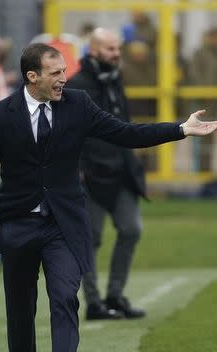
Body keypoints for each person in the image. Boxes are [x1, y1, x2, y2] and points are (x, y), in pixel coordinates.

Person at [0, 43, 217, 352]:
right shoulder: (0, 116)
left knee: (65, 298)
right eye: (55, 73)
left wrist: (180, 130)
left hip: (64, 226)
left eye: (65, 71)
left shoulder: (78, 104)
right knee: (20, 314)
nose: (64, 79)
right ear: (32, 76)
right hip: (16, 227)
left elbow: (126, 133)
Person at [67, 29, 150, 320]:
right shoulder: (76, 85)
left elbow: (124, 126)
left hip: (122, 172)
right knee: (90, 239)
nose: (117, 54)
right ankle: (93, 303)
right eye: (111, 49)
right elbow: (71, 134)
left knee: (131, 229)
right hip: (90, 175)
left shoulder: (115, 80)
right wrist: (77, 171)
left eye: (118, 48)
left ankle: (115, 296)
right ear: (93, 51)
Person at [188, 27, 217, 171]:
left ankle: (206, 169)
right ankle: (197, 170)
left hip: (214, 103)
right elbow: (194, 74)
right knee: (198, 135)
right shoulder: (200, 53)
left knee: (210, 136)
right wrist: (204, 92)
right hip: (201, 103)